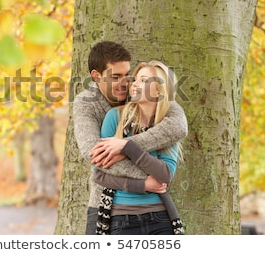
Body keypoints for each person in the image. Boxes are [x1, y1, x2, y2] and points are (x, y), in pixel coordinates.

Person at [73, 41, 188, 235]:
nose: (126, 82)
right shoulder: (86, 104)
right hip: (105, 202)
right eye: (116, 76)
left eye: (128, 75)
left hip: (154, 210)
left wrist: (126, 146)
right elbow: (95, 156)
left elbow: (178, 126)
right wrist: (146, 180)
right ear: (96, 76)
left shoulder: (138, 92)